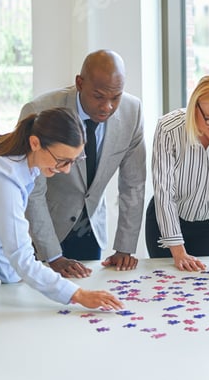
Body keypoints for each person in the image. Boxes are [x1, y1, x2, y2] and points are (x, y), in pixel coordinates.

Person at [0, 107, 122, 309]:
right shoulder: (3, 175)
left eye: (73, 161)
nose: (66, 170)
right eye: (62, 160)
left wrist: (11, 279)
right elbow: (20, 253)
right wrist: (77, 294)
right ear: (35, 143)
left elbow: (4, 230)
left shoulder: (25, 162)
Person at [19, 50, 146, 278]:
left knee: (87, 298)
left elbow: (133, 184)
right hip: (44, 229)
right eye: (98, 96)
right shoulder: (39, 112)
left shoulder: (132, 112)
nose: (107, 106)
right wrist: (53, 256)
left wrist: (124, 248)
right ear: (80, 83)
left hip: (91, 228)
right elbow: (33, 191)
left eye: (115, 97)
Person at [145, 73, 209, 271]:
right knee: (171, 284)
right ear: (195, 108)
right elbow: (164, 191)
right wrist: (178, 252)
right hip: (168, 219)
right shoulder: (168, 128)